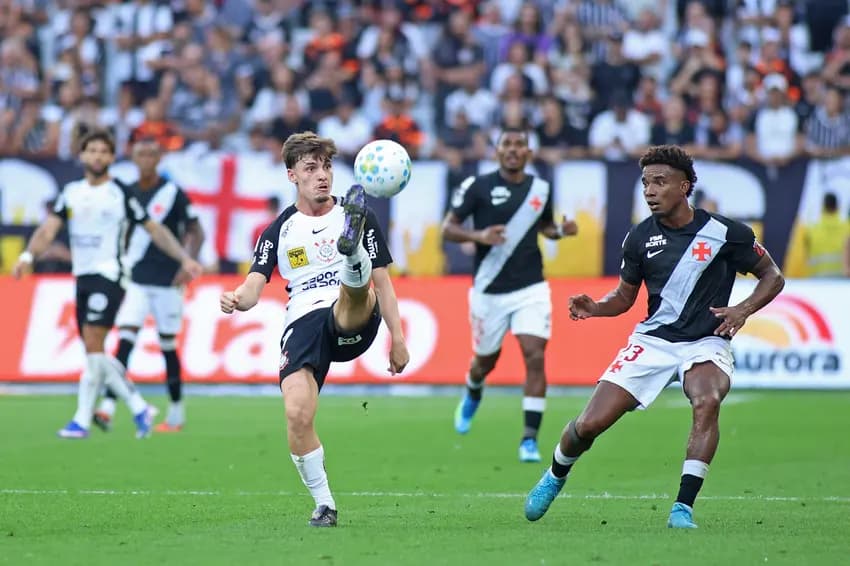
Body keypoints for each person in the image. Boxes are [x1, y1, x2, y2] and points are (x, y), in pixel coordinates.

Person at [524, 145, 785, 528]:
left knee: (707, 400)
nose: (649, 190)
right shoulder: (639, 238)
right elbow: (624, 297)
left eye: (660, 182)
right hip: (653, 341)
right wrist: (596, 307)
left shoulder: (727, 233)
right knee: (590, 424)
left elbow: (773, 276)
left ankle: (683, 507)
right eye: (646, 182)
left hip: (706, 340)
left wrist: (743, 309)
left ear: (684, 186)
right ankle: (555, 475)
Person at [219, 131, 409, 527]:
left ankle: (350, 256)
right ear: (292, 175)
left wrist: (398, 338)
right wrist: (236, 298)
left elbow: (385, 283)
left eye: (326, 167)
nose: (322, 175)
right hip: (303, 320)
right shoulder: (278, 231)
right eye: (310, 168)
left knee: (353, 294)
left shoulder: (359, 215)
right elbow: (254, 286)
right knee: (297, 414)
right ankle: (325, 505)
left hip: (352, 312)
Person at [12, 129, 203, 439]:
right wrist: (27, 255)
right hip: (83, 277)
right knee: (94, 352)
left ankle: (81, 420)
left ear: (112, 157)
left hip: (111, 275)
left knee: (94, 346)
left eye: (103, 151)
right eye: (92, 151)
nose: (97, 156)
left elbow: (154, 229)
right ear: (82, 155)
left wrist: (184, 258)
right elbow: (48, 230)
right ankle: (138, 406)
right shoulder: (71, 192)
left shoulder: (121, 193)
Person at [441, 127, 578, 463]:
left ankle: (529, 439)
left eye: (520, 144)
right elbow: (448, 228)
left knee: (534, 354)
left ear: (529, 152)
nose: (514, 149)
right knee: (485, 362)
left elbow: (544, 226)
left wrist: (561, 231)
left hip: (531, 287)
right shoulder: (477, 186)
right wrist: (480, 236)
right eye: (507, 144)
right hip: (489, 290)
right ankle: (473, 390)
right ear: (497, 151)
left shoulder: (541, 189)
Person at [93, 138, 205, 433]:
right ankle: (107, 407)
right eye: (140, 154)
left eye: (151, 154)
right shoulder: (126, 193)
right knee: (125, 341)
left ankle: (176, 412)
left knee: (168, 346)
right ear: (133, 158)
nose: (145, 159)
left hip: (168, 281)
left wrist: (188, 263)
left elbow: (197, 231)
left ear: (159, 159)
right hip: (136, 279)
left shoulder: (173, 193)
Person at [802, 192, 850, 277]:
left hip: (816, 280)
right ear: (837, 207)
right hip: (842, 280)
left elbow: (805, 255)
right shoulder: (847, 228)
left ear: (823, 206)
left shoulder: (812, 230)